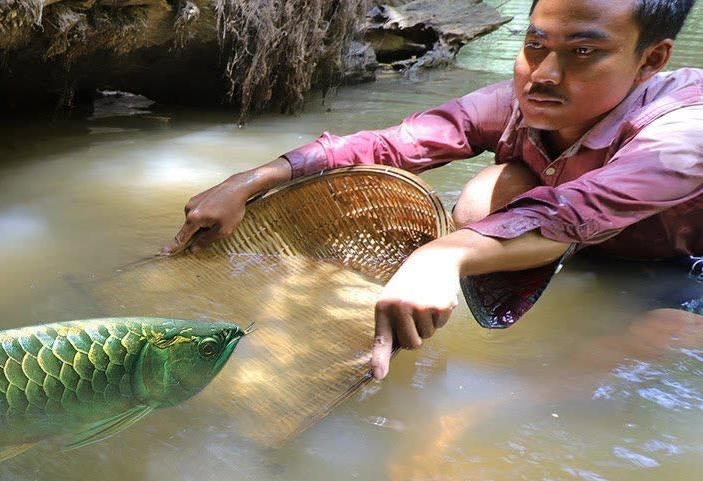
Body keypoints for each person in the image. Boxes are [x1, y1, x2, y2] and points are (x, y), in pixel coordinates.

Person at [164, 0, 702, 380]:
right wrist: (254, 178)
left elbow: (581, 207)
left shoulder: (685, 128)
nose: (542, 74)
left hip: (685, 266)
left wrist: (440, 256)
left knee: (660, 331)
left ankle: (484, 414)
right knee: (487, 193)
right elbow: (395, 144)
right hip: (582, 239)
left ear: (650, 60)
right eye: (535, 45)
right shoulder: (519, 104)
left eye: (582, 53)